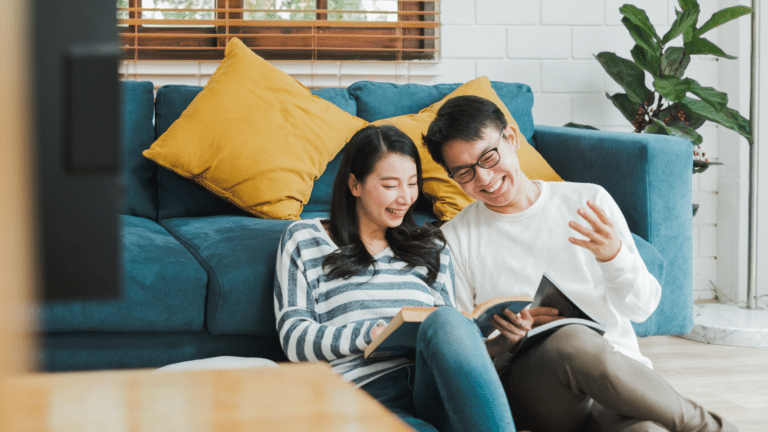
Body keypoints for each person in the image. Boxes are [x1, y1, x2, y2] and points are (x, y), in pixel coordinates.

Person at [422, 95, 738, 432]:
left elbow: (642, 309)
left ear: (511, 138)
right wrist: (504, 341)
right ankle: (707, 427)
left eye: (488, 157)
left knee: (647, 430)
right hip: (536, 392)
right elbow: (460, 352)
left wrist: (614, 257)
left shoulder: (588, 201)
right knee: (571, 340)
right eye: (465, 173)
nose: (484, 178)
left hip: (617, 381)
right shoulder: (454, 239)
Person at [274, 124, 517, 432]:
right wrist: (371, 333)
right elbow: (294, 338)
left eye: (412, 184)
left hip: (433, 389)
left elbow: (451, 343)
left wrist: (502, 342)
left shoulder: (432, 245)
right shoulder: (305, 239)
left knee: (446, 320)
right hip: (366, 395)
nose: (405, 198)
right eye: (390, 185)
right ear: (355, 184)